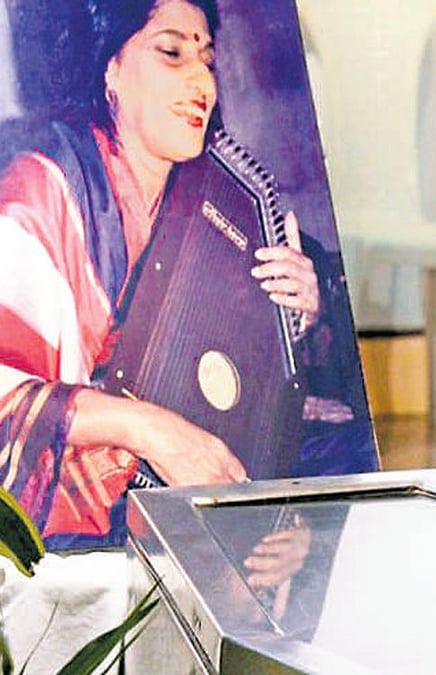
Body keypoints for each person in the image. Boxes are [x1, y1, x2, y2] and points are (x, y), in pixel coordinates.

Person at [0, 0, 321, 549]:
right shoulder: (42, 194)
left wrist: (296, 316)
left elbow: (237, 395)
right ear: (112, 69)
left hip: (175, 498)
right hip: (68, 527)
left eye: (208, 61)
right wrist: (149, 428)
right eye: (172, 52)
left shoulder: (220, 205)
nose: (202, 81)